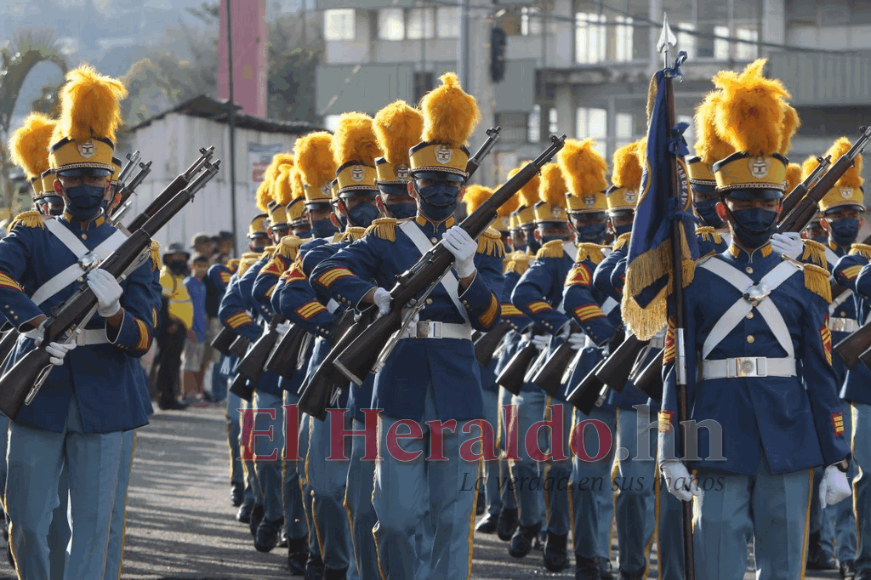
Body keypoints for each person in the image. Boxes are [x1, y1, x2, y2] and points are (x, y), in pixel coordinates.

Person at [658, 59, 851, 580]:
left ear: (781, 203)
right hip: (715, 435)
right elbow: (677, 371)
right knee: (716, 562)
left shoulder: (805, 279)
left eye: (767, 201)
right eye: (745, 201)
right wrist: (671, 448)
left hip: (789, 438)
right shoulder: (695, 280)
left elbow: (822, 375)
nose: (758, 212)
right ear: (723, 210)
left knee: (784, 566)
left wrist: (836, 455)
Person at [311, 73, 505, 579]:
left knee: (450, 520)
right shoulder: (386, 236)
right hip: (398, 386)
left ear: (462, 186)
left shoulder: (484, 246)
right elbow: (325, 270)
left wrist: (467, 275)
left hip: (458, 391)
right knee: (394, 520)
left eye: (450, 182)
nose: (441, 191)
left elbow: (490, 318)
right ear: (412, 184)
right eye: (431, 182)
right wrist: (372, 295)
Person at [1, 64, 159, 579]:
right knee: (25, 521)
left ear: (111, 183)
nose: (86, 185)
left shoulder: (136, 250)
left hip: (107, 389)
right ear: (58, 181)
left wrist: (114, 313)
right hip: (38, 388)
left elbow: (142, 336)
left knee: (93, 529)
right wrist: (34, 325)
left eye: (95, 176)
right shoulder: (33, 233)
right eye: (75, 176)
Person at [155, 242, 193, 410]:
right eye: (178, 256)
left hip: (178, 327)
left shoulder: (175, 276)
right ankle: (166, 399)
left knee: (173, 363)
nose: (183, 259)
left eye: (184, 256)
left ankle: (170, 397)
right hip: (170, 328)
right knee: (168, 363)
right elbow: (161, 302)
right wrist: (168, 323)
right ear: (169, 258)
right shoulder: (166, 276)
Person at [182, 253, 209, 405]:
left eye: (205, 265)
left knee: (197, 364)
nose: (202, 269)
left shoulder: (202, 285)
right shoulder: (188, 283)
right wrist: (188, 328)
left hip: (201, 329)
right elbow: (185, 308)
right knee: (188, 364)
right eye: (199, 265)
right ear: (192, 266)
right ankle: (187, 394)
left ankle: (195, 394)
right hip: (191, 330)